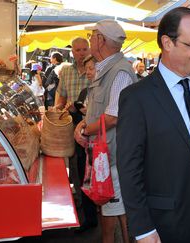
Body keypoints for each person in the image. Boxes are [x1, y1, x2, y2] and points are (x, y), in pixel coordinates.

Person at [116, 7, 190, 242]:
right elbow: (129, 168)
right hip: (168, 221)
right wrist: (143, 228)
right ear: (167, 43)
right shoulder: (137, 97)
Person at [75, 19, 138, 243]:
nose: (91, 40)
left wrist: (83, 130)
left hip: (114, 156)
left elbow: (112, 117)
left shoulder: (120, 72)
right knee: (110, 207)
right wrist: (85, 126)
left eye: (92, 36)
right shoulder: (107, 69)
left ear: (101, 40)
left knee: (116, 210)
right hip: (105, 154)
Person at [54, 37, 97, 234]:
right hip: (73, 122)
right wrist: (58, 108)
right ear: (72, 51)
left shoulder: (95, 69)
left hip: (91, 124)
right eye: (77, 50)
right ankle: (83, 206)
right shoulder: (66, 71)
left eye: (84, 49)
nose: (81, 52)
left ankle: (91, 212)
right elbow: (61, 95)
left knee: (88, 168)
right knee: (77, 167)